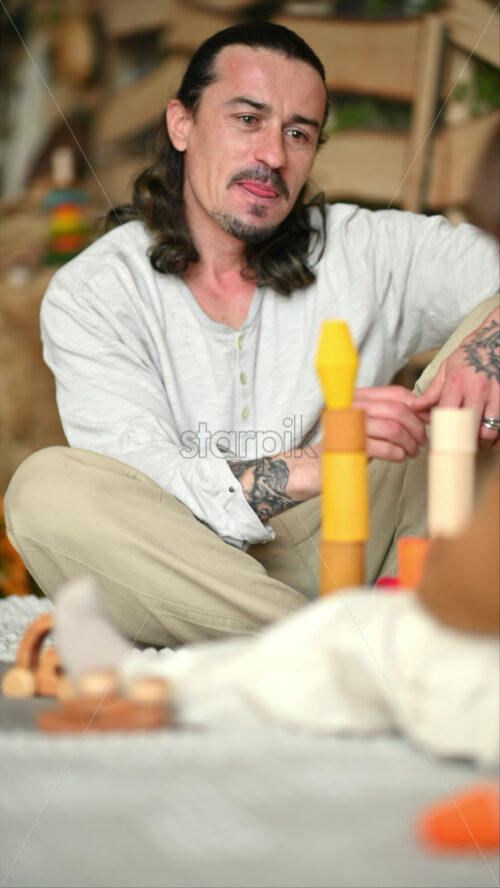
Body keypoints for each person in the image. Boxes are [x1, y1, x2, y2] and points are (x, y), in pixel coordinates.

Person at [4, 22, 499, 647]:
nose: (273, 155)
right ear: (181, 125)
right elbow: (150, 485)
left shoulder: (366, 248)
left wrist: (488, 349)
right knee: (44, 492)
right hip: (185, 571)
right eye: (248, 119)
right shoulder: (94, 292)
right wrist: (316, 462)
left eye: (298, 133)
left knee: (475, 370)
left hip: (362, 545)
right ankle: (336, 653)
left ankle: (344, 647)